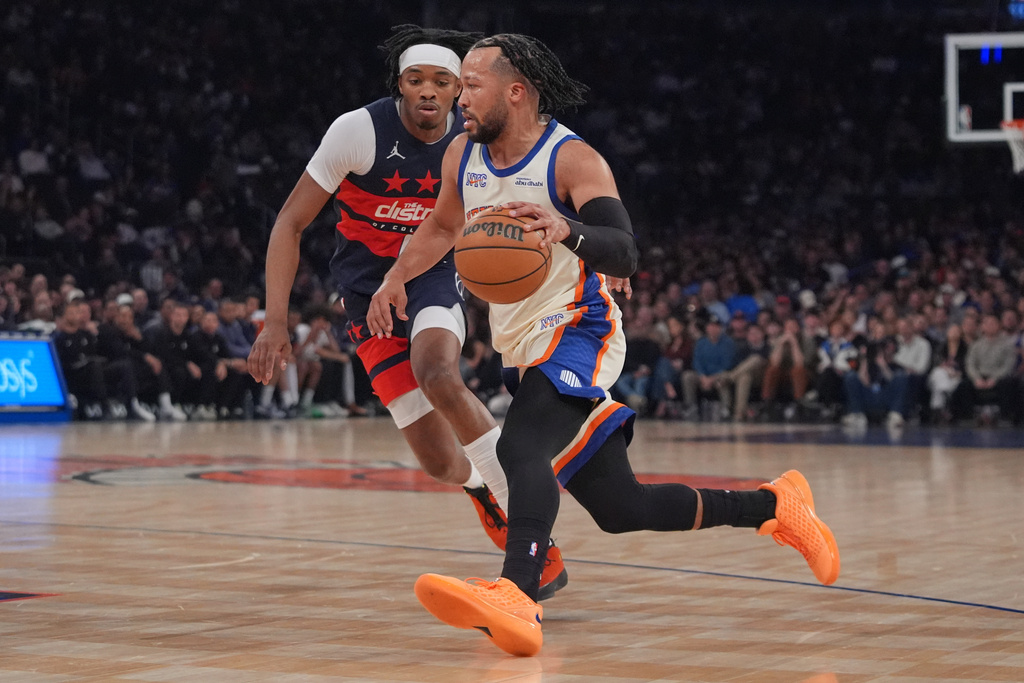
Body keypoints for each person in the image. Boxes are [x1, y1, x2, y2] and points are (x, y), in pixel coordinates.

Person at [367, 33, 840, 657]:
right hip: (523, 343)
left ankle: (517, 594)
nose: (460, 99)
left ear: (516, 91)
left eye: (471, 85)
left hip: (579, 326)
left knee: (519, 444)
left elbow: (624, 249)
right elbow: (445, 225)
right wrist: (396, 277)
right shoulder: (462, 153)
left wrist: (569, 228)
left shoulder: (571, 160)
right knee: (622, 506)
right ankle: (774, 505)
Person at [244, 25, 566, 598]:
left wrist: (594, 244)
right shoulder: (357, 131)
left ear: (457, 92)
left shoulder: (472, 141)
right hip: (366, 293)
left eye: (442, 82)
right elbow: (289, 223)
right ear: (399, 85)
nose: (428, 91)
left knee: (439, 373)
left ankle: (527, 539)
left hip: (435, 273)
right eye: (415, 80)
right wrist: (274, 321)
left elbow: (543, 186)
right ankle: (480, 490)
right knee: (440, 463)